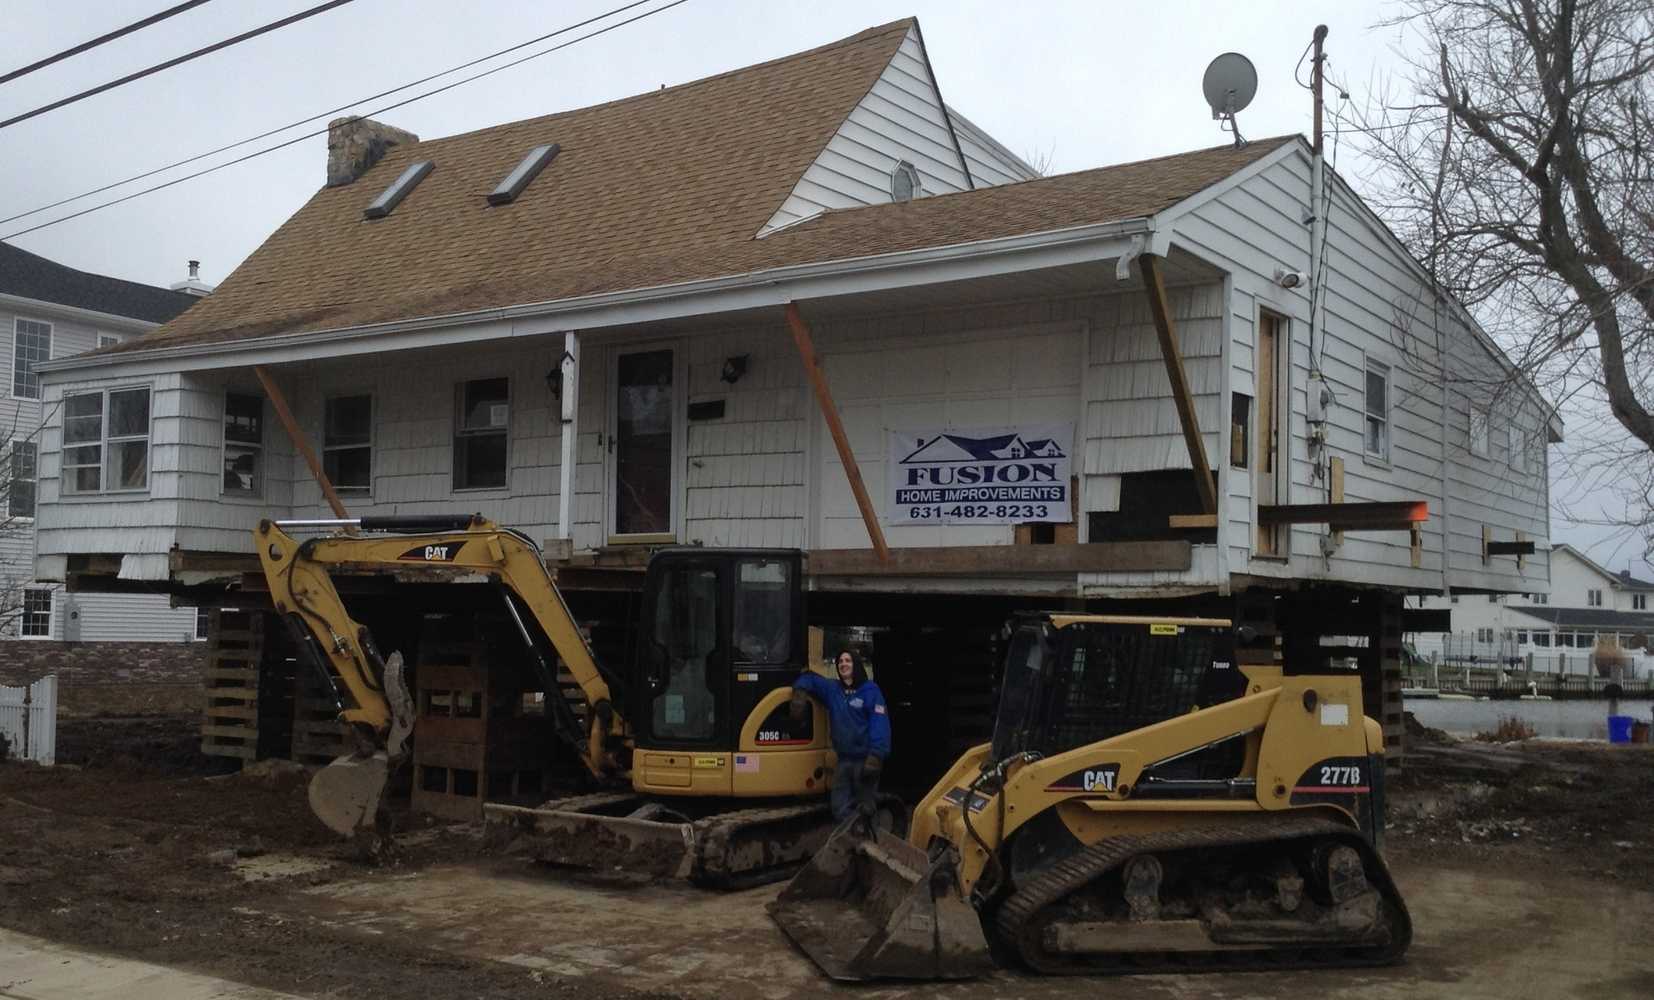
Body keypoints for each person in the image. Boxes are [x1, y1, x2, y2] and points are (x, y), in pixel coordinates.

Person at [791, 650, 891, 821]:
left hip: (865, 761)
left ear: (856, 665)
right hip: (843, 761)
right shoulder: (833, 689)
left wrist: (876, 756)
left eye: (848, 661)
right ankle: (852, 841)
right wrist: (799, 693)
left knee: (865, 808)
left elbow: (879, 724)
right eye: (840, 662)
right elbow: (810, 679)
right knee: (839, 808)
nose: (843, 664)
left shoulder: (870, 691)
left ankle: (870, 840)